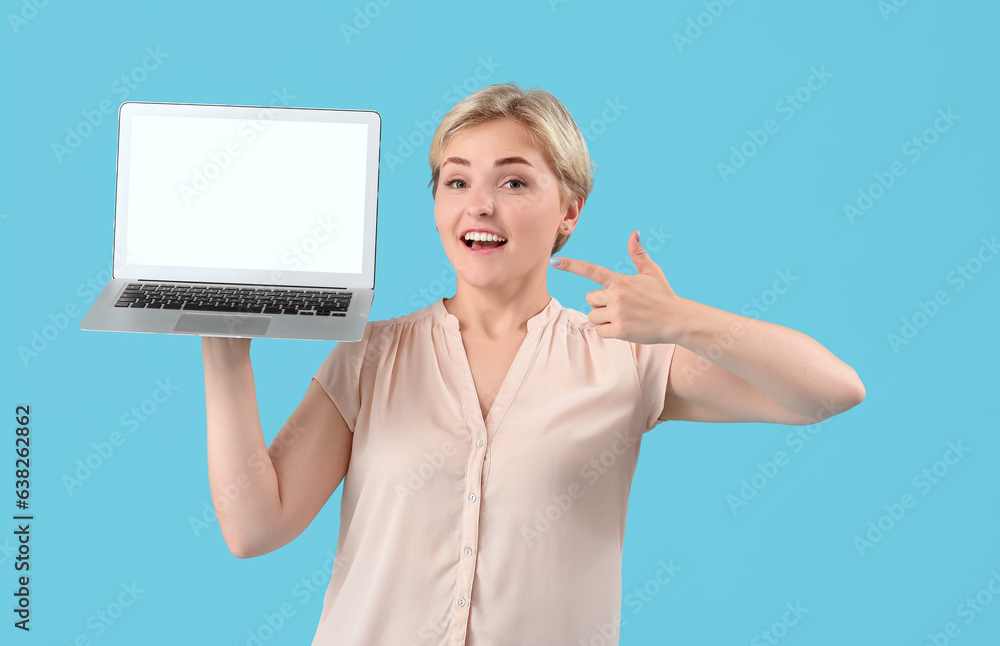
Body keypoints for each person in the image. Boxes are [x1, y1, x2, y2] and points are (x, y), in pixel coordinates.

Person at [201, 83, 865, 645]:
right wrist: (224, 341)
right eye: (456, 180)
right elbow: (254, 525)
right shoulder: (371, 354)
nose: (479, 204)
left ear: (569, 211)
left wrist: (682, 320)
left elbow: (831, 390)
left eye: (513, 181)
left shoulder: (626, 356)